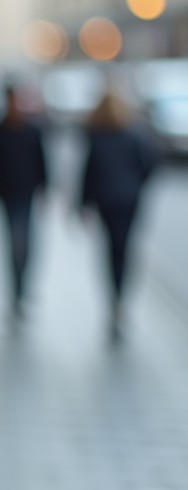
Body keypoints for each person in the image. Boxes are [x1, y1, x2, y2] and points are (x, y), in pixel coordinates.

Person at [80, 91, 158, 339]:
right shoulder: (133, 135)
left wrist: (83, 203)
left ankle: (115, 299)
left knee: (111, 250)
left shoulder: (97, 137)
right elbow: (150, 165)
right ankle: (121, 299)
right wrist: (135, 186)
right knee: (124, 250)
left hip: (107, 202)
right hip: (128, 201)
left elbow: (88, 172)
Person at [0, 86, 47, 318]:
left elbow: (41, 161)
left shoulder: (31, 131)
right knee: (13, 243)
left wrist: (44, 188)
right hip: (7, 194)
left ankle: (22, 288)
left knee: (25, 242)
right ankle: (15, 291)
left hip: (26, 193)